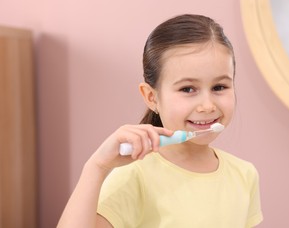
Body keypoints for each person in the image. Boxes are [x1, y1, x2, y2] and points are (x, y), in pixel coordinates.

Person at [57, 14, 263, 227]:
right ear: (152, 97)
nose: (208, 105)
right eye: (188, 89)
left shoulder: (244, 175)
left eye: (219, 87)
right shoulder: (134, 175)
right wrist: (96, 167)